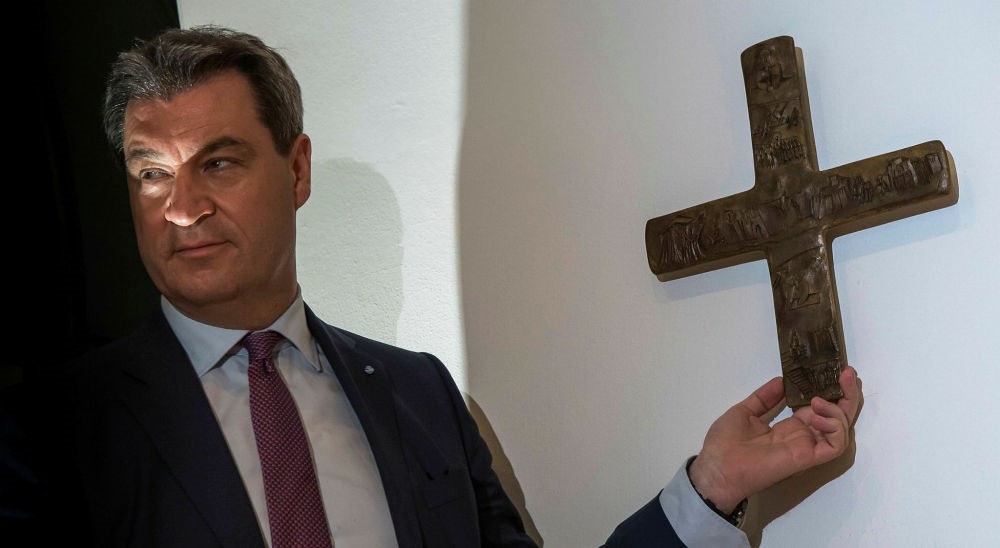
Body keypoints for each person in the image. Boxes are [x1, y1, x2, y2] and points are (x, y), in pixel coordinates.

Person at [0, 25, 862, 547]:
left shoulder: (417, 396)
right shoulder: (58, 430)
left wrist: (710, 486)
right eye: (150, 173)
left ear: (296, 170)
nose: (181, 207)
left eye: (218, 163)